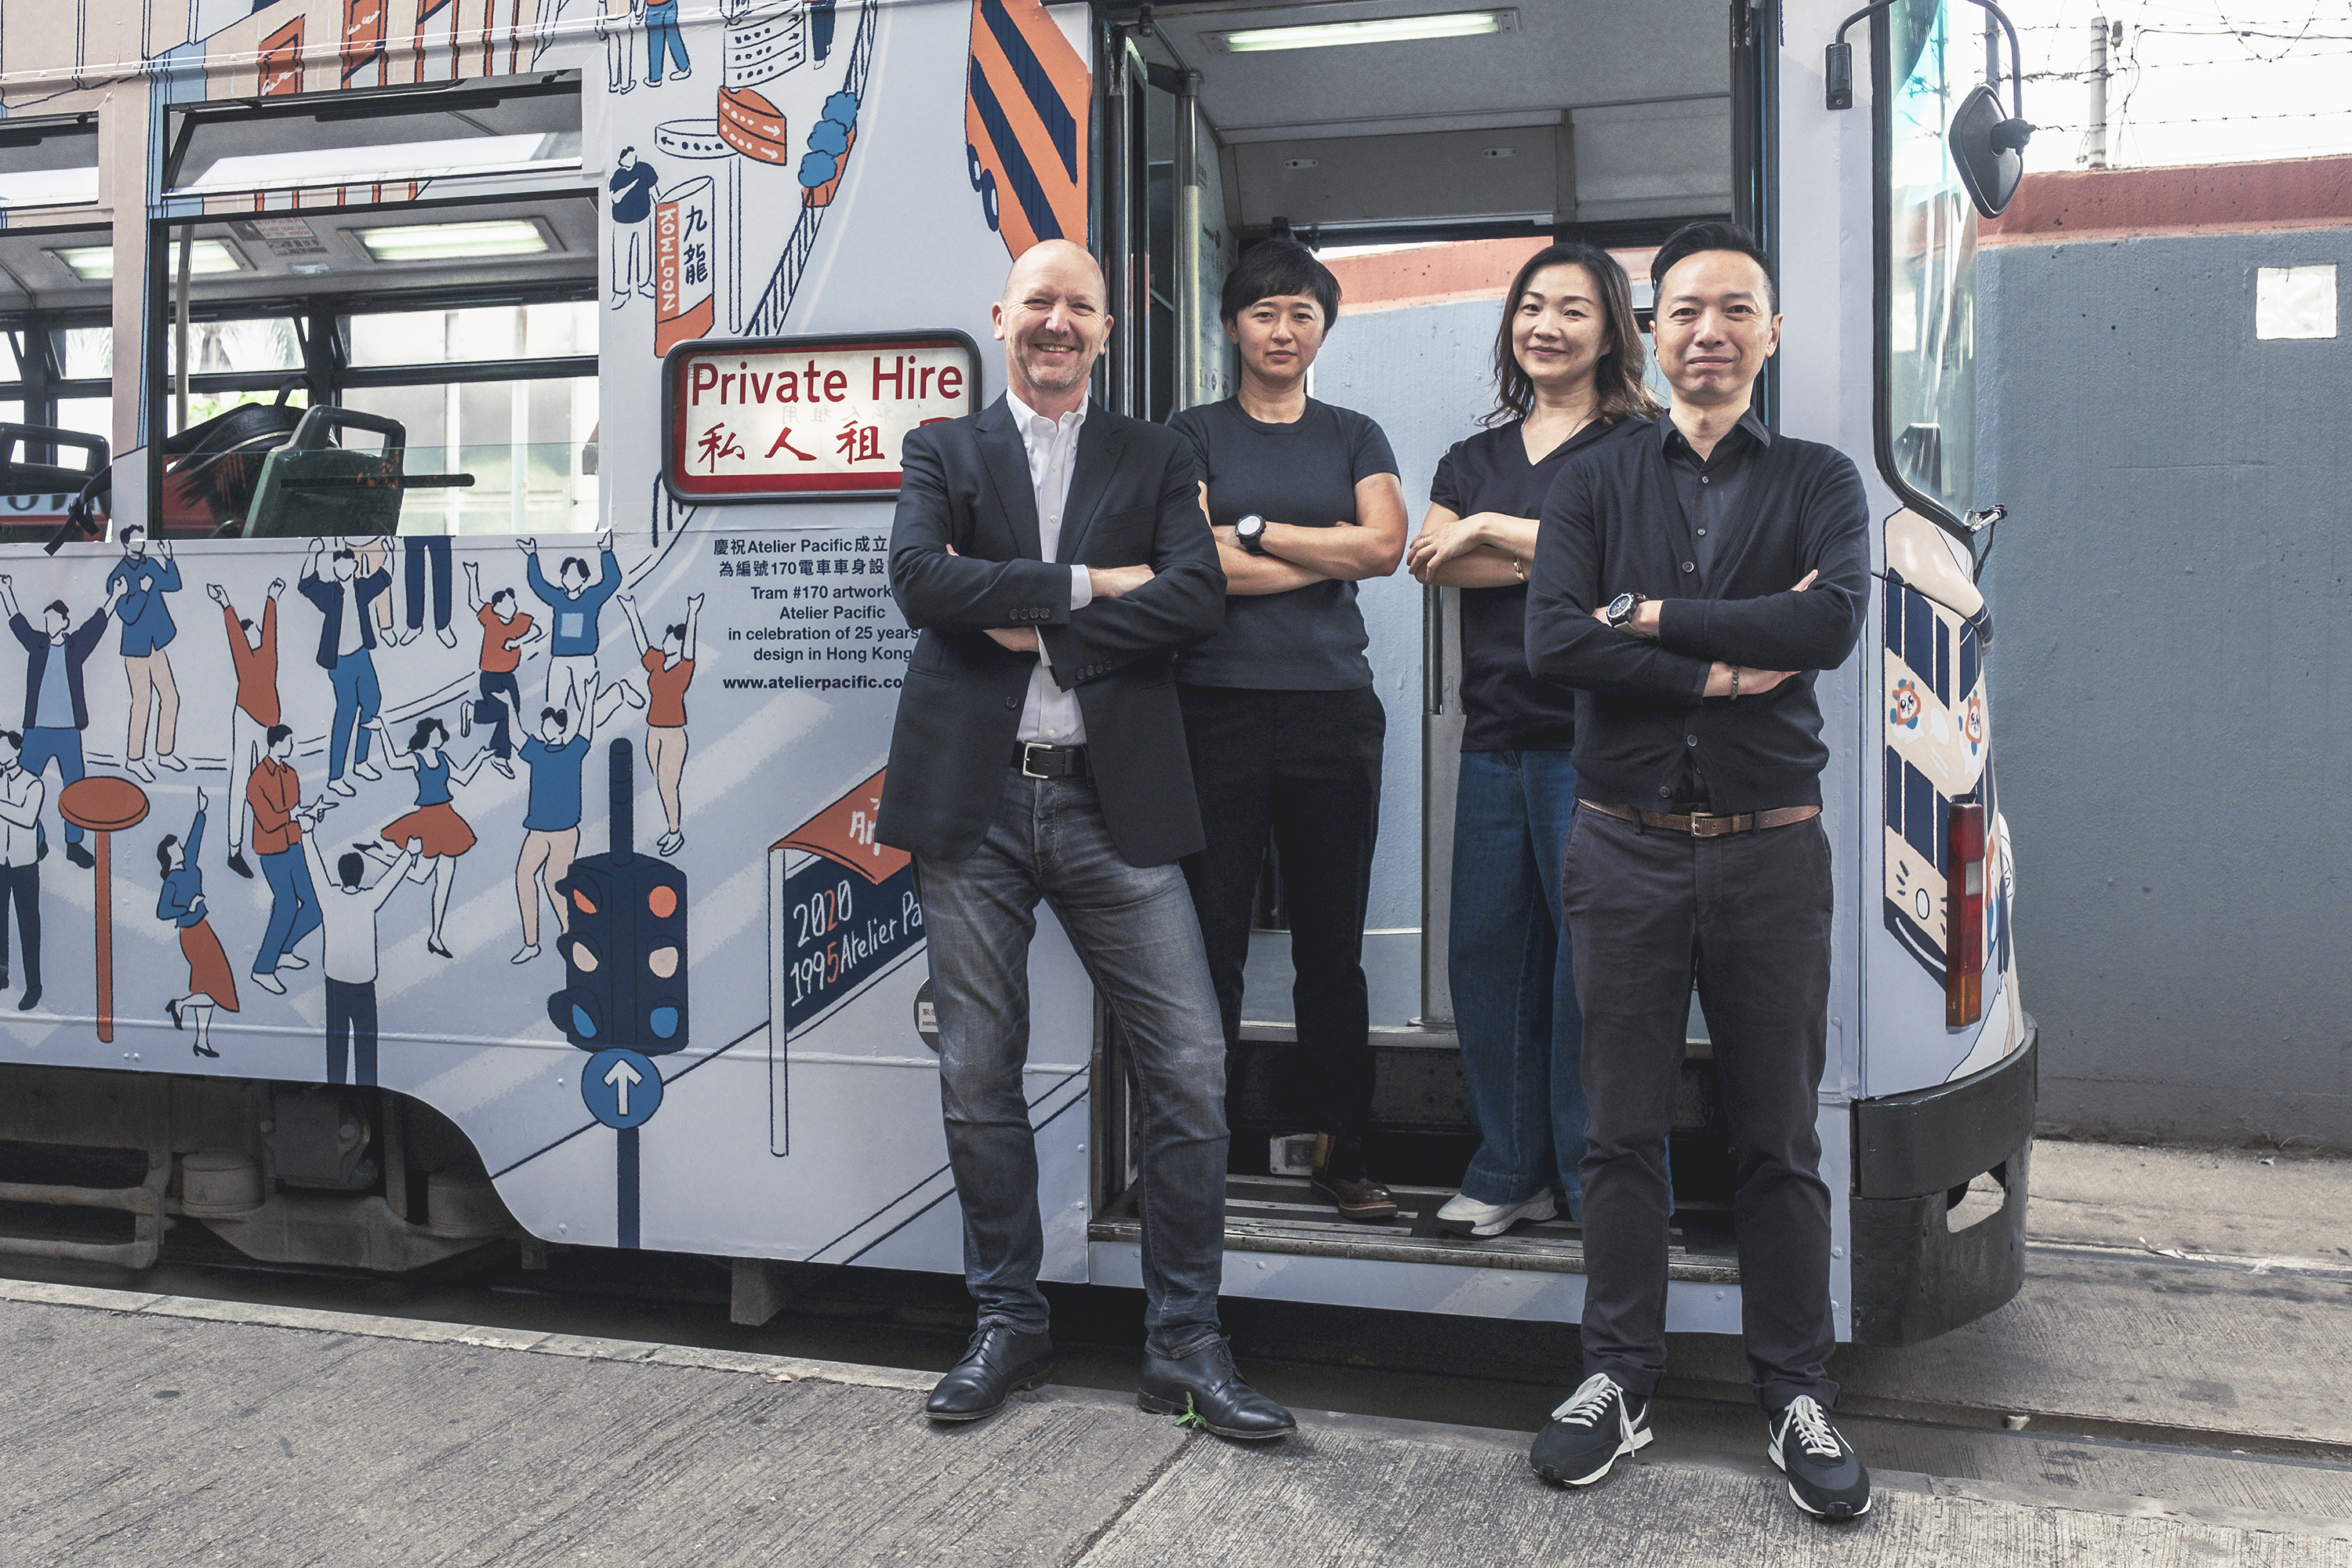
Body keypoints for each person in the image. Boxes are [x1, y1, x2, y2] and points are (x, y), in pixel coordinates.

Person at [878, 238, 1291, 1441]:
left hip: (1116, 804)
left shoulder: (1157, 454)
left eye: (1081, 307)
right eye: (1039, 302)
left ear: (1109, 330)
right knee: (978, 1072)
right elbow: (921, 582)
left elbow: (1195, 596)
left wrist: (1034, 621)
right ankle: (1007, 1321)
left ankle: (1184, 1343)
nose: (1058, 323)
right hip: (974, 806)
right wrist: (1092, 586)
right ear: (1001, 315)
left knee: (1190, 1067)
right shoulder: (942, 449)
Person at [1522, 221, 1874, 1519]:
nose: (1708, 332)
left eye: (1734, 309)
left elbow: (1827, 620)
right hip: (1622, 848)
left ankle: (1795, 1392)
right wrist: (1724, 665)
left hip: (1770, 852)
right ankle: (1616, 1378)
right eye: (1683, 310)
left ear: (1770, 332)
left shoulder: (1822, 479)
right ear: (1653, 332)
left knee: (1779, 1135)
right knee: (1619, 1132)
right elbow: (1555, 640)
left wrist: (1652, 617)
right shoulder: (1593, 480)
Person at [1403, 245, 1661, 1239]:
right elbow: (1432, 558)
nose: (1546, 326)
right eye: (1531, 307)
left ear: (1611, 330)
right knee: (1487, 956)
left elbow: (1628, 566)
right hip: (1496, 738)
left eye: (1573, 309)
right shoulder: (1471, 456)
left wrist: (1489, 532)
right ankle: (1510, 1169)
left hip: (1597, 740)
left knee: (1591, 967)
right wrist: (1544, 549)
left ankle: (1599, 1183)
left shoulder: (1640, 444)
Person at [1167, 239, 1407, 1223]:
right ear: (1232, 326)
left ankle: (1343, 1153)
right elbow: (1195, 564)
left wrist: (1256, 532)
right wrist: (1325, 551)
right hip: (1213, 709)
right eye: (1264, 311)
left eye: (1302, 312)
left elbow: (1385, 546)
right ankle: (1199, 1156)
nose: (1283, 329)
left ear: (1323, 328)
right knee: (1209, 943)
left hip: (1331, 714)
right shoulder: (1190, 433)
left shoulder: (1355, 433)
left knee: (1331, 947)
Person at [0, 575, 112, 869]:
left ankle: (73, 844)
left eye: (54, 619)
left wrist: (114, 596)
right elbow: (18, 623)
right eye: (46, 619)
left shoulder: (75, 647)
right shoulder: (37, 644)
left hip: (69, 732)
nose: (49, 624)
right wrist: (6, 590)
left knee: (74, 787)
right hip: (36, 731)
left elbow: (96, 627)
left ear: (65, 622)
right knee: (22, 783)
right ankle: (36, 840)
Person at [364, 714, 488, 959]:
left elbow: (463, 778)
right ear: (427, 735)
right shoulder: (416, 758)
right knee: (420, 876)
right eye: (436, 732)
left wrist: (480, 758)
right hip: (428, 820)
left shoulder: (443, 757)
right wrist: (381, 730)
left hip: (447, 819)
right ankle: (381, 855)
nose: (441, 735)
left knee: (445, 882)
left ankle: (436, 937)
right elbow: (393, 762)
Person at [304, 824, 419, 1087]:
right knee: (366, 1045)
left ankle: (335, 1086)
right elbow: (390, 881)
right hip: (364, 987)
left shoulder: (329, 898)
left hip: (335, 984)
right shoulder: (369, 900)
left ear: (340, 874)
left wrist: (307, 835)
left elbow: (315, 870)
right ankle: (367, 1089)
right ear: (361, 875)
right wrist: (409, 854)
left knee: (336, 1042)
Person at [297, 539, 392, 797]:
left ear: (354, 565)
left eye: (347, 564)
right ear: (334, 567)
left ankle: (361, 762)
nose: (343, 568)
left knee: (372, 702)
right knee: (346, 712)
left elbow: (385, 577)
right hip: (339, 662)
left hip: (362, 655)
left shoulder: (361, 588)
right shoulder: (330, 593)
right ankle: (336, 777)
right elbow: (305, 584)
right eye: (338, 565)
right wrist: (313, 554)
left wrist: (391, 551)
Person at [208, 578, 286, 880]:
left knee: (264, 784)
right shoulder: (248, 658)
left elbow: (271, 629)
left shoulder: (268, 654)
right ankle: (234, 850)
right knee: (242, 781)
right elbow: (236, 636)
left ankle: (263, 841)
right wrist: (225, 602)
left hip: (266, 723)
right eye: (248, 632)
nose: (252, 634)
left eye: (253, 630)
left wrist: (271, 598)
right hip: (246, 718)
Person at [520, 530, 639, 724]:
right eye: (567, 574)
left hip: (584, 660)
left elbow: (613, 581)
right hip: (559, 660)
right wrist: (532, 555)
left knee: (589, 712)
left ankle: (619, 692)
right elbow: (539, 586)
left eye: (575, 575)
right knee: (553, 708)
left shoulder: (592, 598)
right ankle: (557, 738)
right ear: (562, 576)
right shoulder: (558, 598)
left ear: (584, 579)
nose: (570, 578)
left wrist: (606, 552)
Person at [245, 723, 328, 996]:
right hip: (271, 851)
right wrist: (294, 816)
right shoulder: (257, 780)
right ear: (276, 743)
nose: (292, 747)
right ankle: (262, 969)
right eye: (288, 742)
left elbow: (294, 810)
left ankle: (283, 949)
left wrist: (311, 813)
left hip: (294, 844)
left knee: (314, 908)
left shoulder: (291, 774)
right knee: (287, 905)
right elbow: (268, 821)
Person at [157, 788, 239, 1058]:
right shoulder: (172, 880)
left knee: (206, 986)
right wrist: (188, 907)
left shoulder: (189, 865)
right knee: (216, 986)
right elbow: (162, 912)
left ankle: (201, 1040)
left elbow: (195, 840)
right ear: (170, 856)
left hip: (202, 929)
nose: (181, 848)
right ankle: (179, 1005)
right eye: (176, 848)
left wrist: (201, 811)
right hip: (192, 934)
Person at [512, 700, 595, 965]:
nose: (543, 729)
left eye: (548, 726)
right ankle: (531, 943)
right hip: (537, 832)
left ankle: (572, 932)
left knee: (553, 881)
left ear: (560, 729)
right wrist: (508, 707)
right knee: (524, 876)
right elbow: (515, 736)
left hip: (564, 832)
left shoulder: (572, 752)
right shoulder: (537, 752)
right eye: (543, 726)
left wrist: (590, 698)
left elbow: (586, 731)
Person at [619, 590, 699, 855]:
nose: (665, 641)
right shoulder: (658, 662)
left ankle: (676, 833)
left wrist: (692, 613)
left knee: (668, 784)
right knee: (660, 781)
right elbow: (642, 644)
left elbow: (690, 650)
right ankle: (671, 827)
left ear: (679, 643)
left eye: (670, 638)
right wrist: (632, 612)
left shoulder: (684, 668)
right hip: (653, 731)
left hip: (674, 734)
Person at [107, 524, 187, 782]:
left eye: (141, 541)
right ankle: (135, 760)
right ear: (125, 544)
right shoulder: (118, 575)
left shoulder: (150, 564)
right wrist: (142, 590)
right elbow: (127, 614)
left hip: (156, 644)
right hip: (135, 649)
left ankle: (165, 753)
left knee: (171, 698)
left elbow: (173, 584)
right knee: (143, 701)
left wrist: (169, 559)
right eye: (134, 541)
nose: (139, 545)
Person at [462, 561, 543, 779]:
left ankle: (497, 751)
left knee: (512, 712)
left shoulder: (520, 621)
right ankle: (496, 748)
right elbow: (473, 602)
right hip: (489, 677)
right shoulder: (491, 619)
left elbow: (536, 630)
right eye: (505, 604)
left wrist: (517, 642)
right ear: (496, 608)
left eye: (512, 602)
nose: (511, 607)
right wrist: (472, 576)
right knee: (504, 712)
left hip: (509, 675)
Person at [0, 730, 44, 1011]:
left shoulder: (33, 783)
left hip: (24, 864)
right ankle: (1, 974)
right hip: (0, 862)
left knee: (29, 925)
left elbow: (27, 818)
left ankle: (33, 987)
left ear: (16, 750)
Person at [608, 147, 661, 308]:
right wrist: (631, 186)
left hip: (644, 218)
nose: (633, 159)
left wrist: (661, 206)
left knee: (645, 252)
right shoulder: (618, 176)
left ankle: (644, 284)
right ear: (621, 161)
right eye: (629, 157)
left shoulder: (644, 169)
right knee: (621, 256)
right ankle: (621, 292)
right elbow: (615, 198)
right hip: (622, 223)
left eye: (634, 156)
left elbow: (653, 190)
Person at [398, 531, 457, 648]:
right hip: (413, 526)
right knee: (413, 574)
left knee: (443, 574)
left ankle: (443, 625)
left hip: (440, 526)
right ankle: (414, 625)